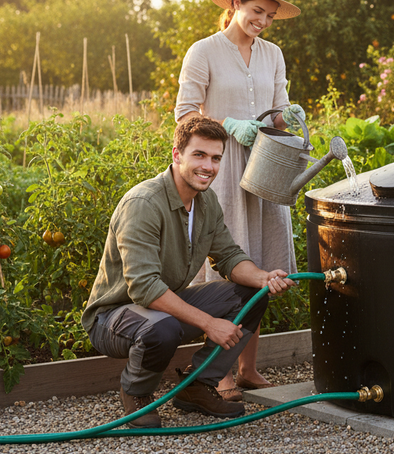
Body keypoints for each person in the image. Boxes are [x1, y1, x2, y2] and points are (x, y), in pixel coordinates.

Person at [81, 116, 295, 428]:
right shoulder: (144, 203)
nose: (208, 166)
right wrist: (210, 324)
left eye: (215, 158)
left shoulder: (206, 202)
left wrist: (262, 278)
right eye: (199, 155)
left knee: (252, 296)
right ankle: (136, 392)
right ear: (177, 155)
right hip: (112, 318)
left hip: (162, 307)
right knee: (162, 328)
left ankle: (197, 385)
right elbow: (144, 288)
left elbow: (229, 256)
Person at [174, 0, 305, 399]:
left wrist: (291, 116)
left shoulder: (272, 54)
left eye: (269, 15)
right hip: (222, 169)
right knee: (227, 269)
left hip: (264, 167)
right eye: (255, 11)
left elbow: (277, 112)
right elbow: (183, 115)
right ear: (235, 6)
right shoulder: (204, 51)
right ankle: (220, 373)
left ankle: (248, 367)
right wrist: (228, 125)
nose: (262, 21)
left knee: (262, 263)